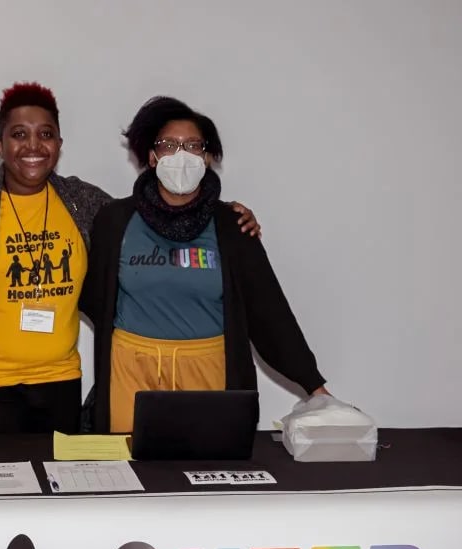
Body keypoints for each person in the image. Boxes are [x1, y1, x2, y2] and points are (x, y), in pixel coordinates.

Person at [0, 83, 262, 440]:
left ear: (59, 145)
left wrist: (222, 215)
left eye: (45, 134)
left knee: (61, 477)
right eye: (19, 134)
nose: (33, 146)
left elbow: (153, 220)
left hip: (61, 385)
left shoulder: (82, 202)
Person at [80, 96, 329, 434]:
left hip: (210, 374)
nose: (181, 155)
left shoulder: (233, 226)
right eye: (169, 145)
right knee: (132, 464)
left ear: (207, 157)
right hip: (131, 374)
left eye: (193, 145)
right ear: (152, 157)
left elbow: (268, 312)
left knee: (209, 460)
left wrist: (314, 386)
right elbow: (93, 296)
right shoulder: (115, 221)